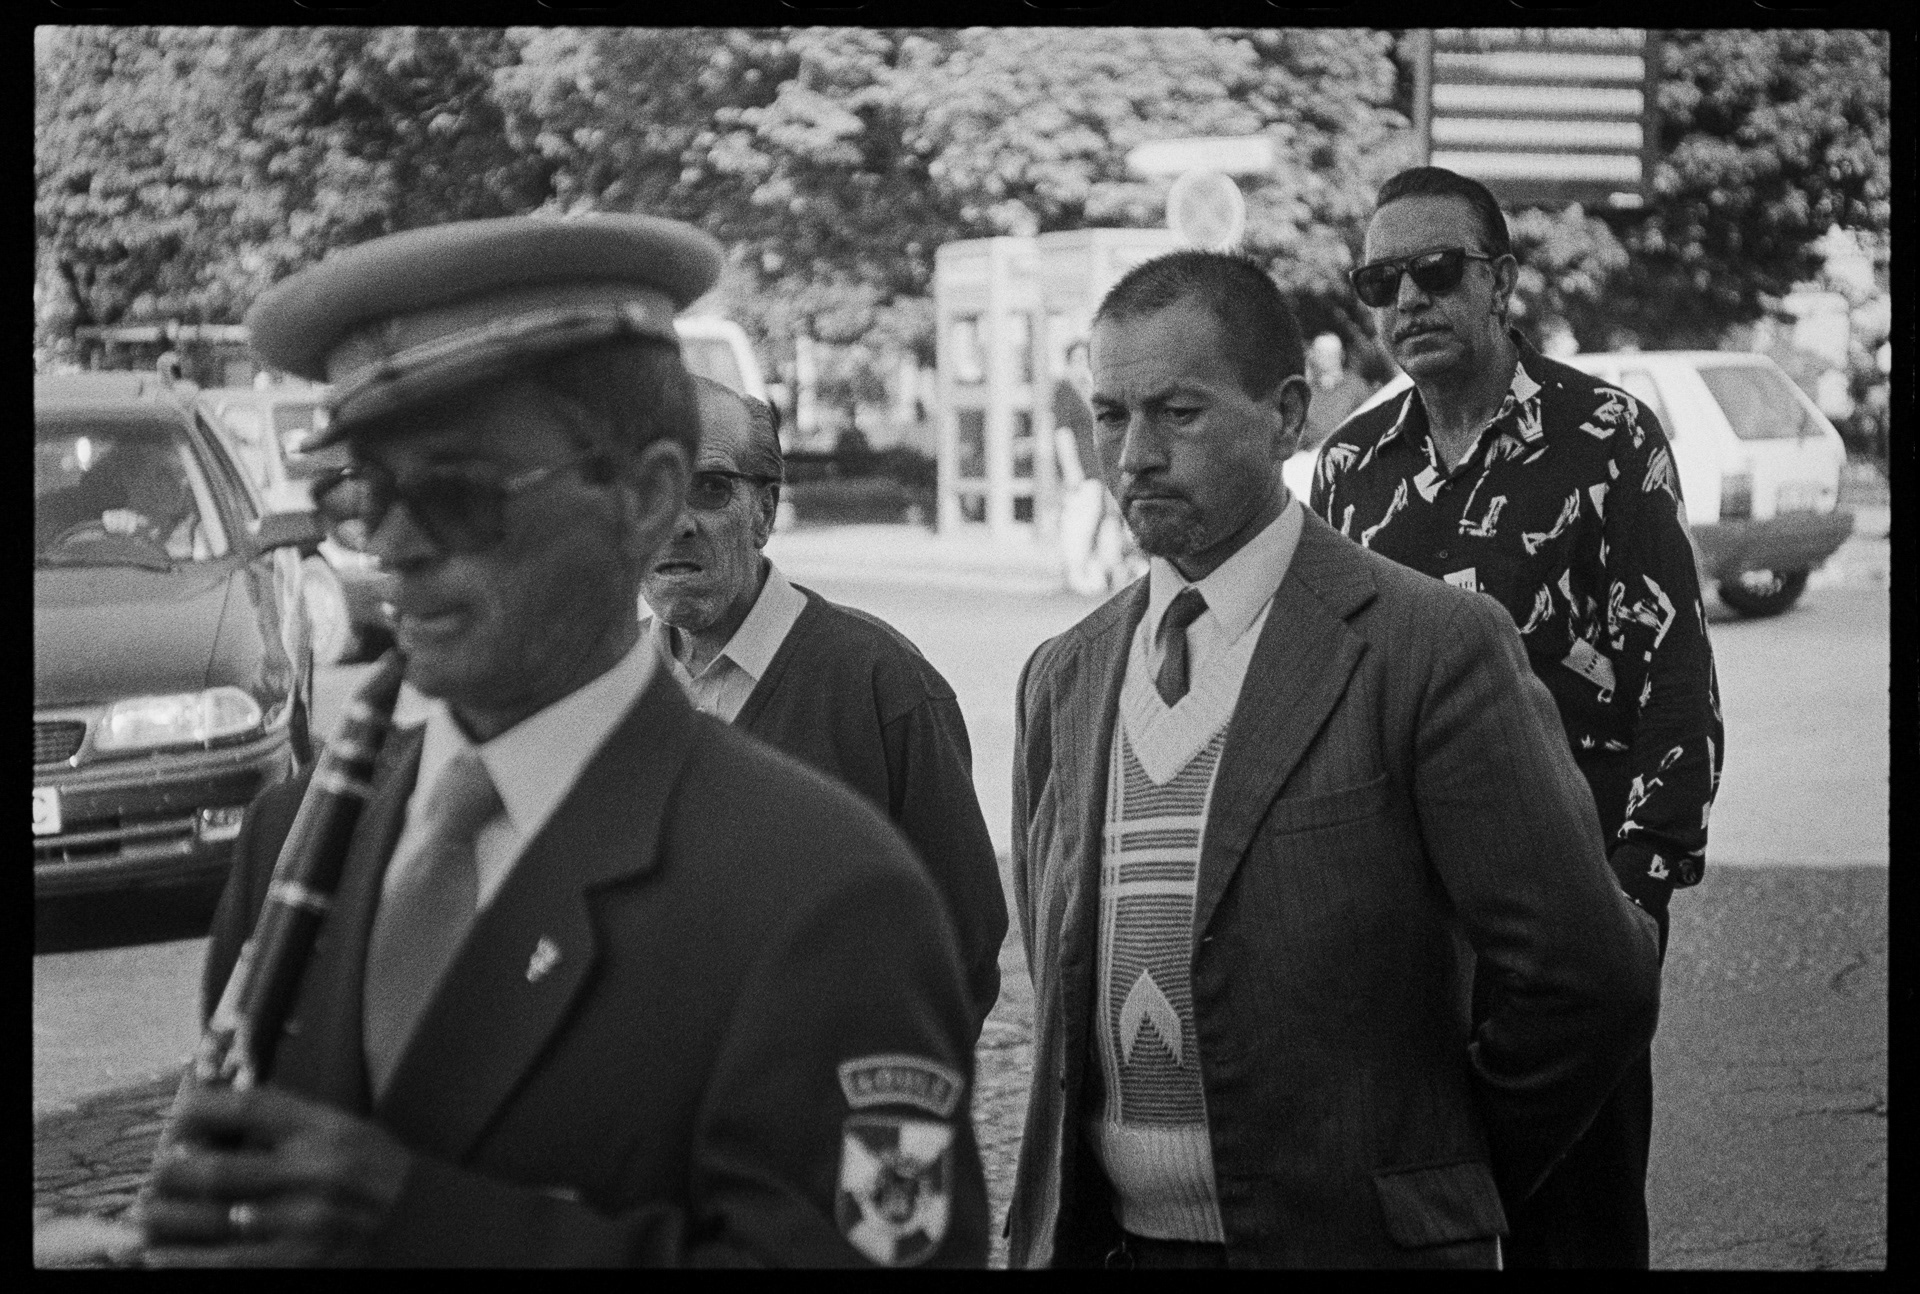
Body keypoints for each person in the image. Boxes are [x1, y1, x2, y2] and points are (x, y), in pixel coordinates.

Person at [137, 214, 989, 1267]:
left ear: (644, 495)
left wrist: (423, 1227)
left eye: (455, 492)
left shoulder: (827, 892)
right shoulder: (294, 837)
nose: (395, 546)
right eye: (363, 494)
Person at [1006, 249, 1662, 1268]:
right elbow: (1059, 995)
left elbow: (1590, 977)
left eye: (1178, 413)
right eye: (1109, 415)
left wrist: (1438, 1172)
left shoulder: (1426, 649)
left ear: (1287, 416)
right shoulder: (1065, 675)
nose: (1133, 453)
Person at [1313, 166, 1724, 1269]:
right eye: (1380, 279)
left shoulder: (1604, 434)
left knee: (1577, 1224)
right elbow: (1326, 689)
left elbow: (1673, 671)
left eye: (1438, 269)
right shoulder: (1352, 467)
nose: (1409, 299)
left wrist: (1637, 893)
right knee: (1422, 1213)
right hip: (1407, 922)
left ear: (1498, 281)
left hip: (1566, 905)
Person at [640, 376, 1007, 1034]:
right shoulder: (605, 691)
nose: (677, 522)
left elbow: (960, 950)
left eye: (711, 488)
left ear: (765, 512)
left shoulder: (880, 686)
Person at [1052, 339, 1112, 595]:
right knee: (1078, 523)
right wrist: (1070, 469)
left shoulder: (1089, 392)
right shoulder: (1065, 390)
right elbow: (1062, 432)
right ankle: (1073, 574)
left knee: (1096, 523)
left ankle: (1092, 573)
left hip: (1096, 471)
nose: (1082, 366)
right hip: (1081, 473)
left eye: (1085, 360)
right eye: (1076, 360)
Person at [1299, 331, 1375, 452]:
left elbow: (1375, 423)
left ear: (1341, 355)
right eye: (1320, 352)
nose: (1324, 357)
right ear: (1313, 356)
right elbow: (1300, 440)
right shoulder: (1306, 396)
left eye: (1330, 353)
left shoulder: (1356, 387)